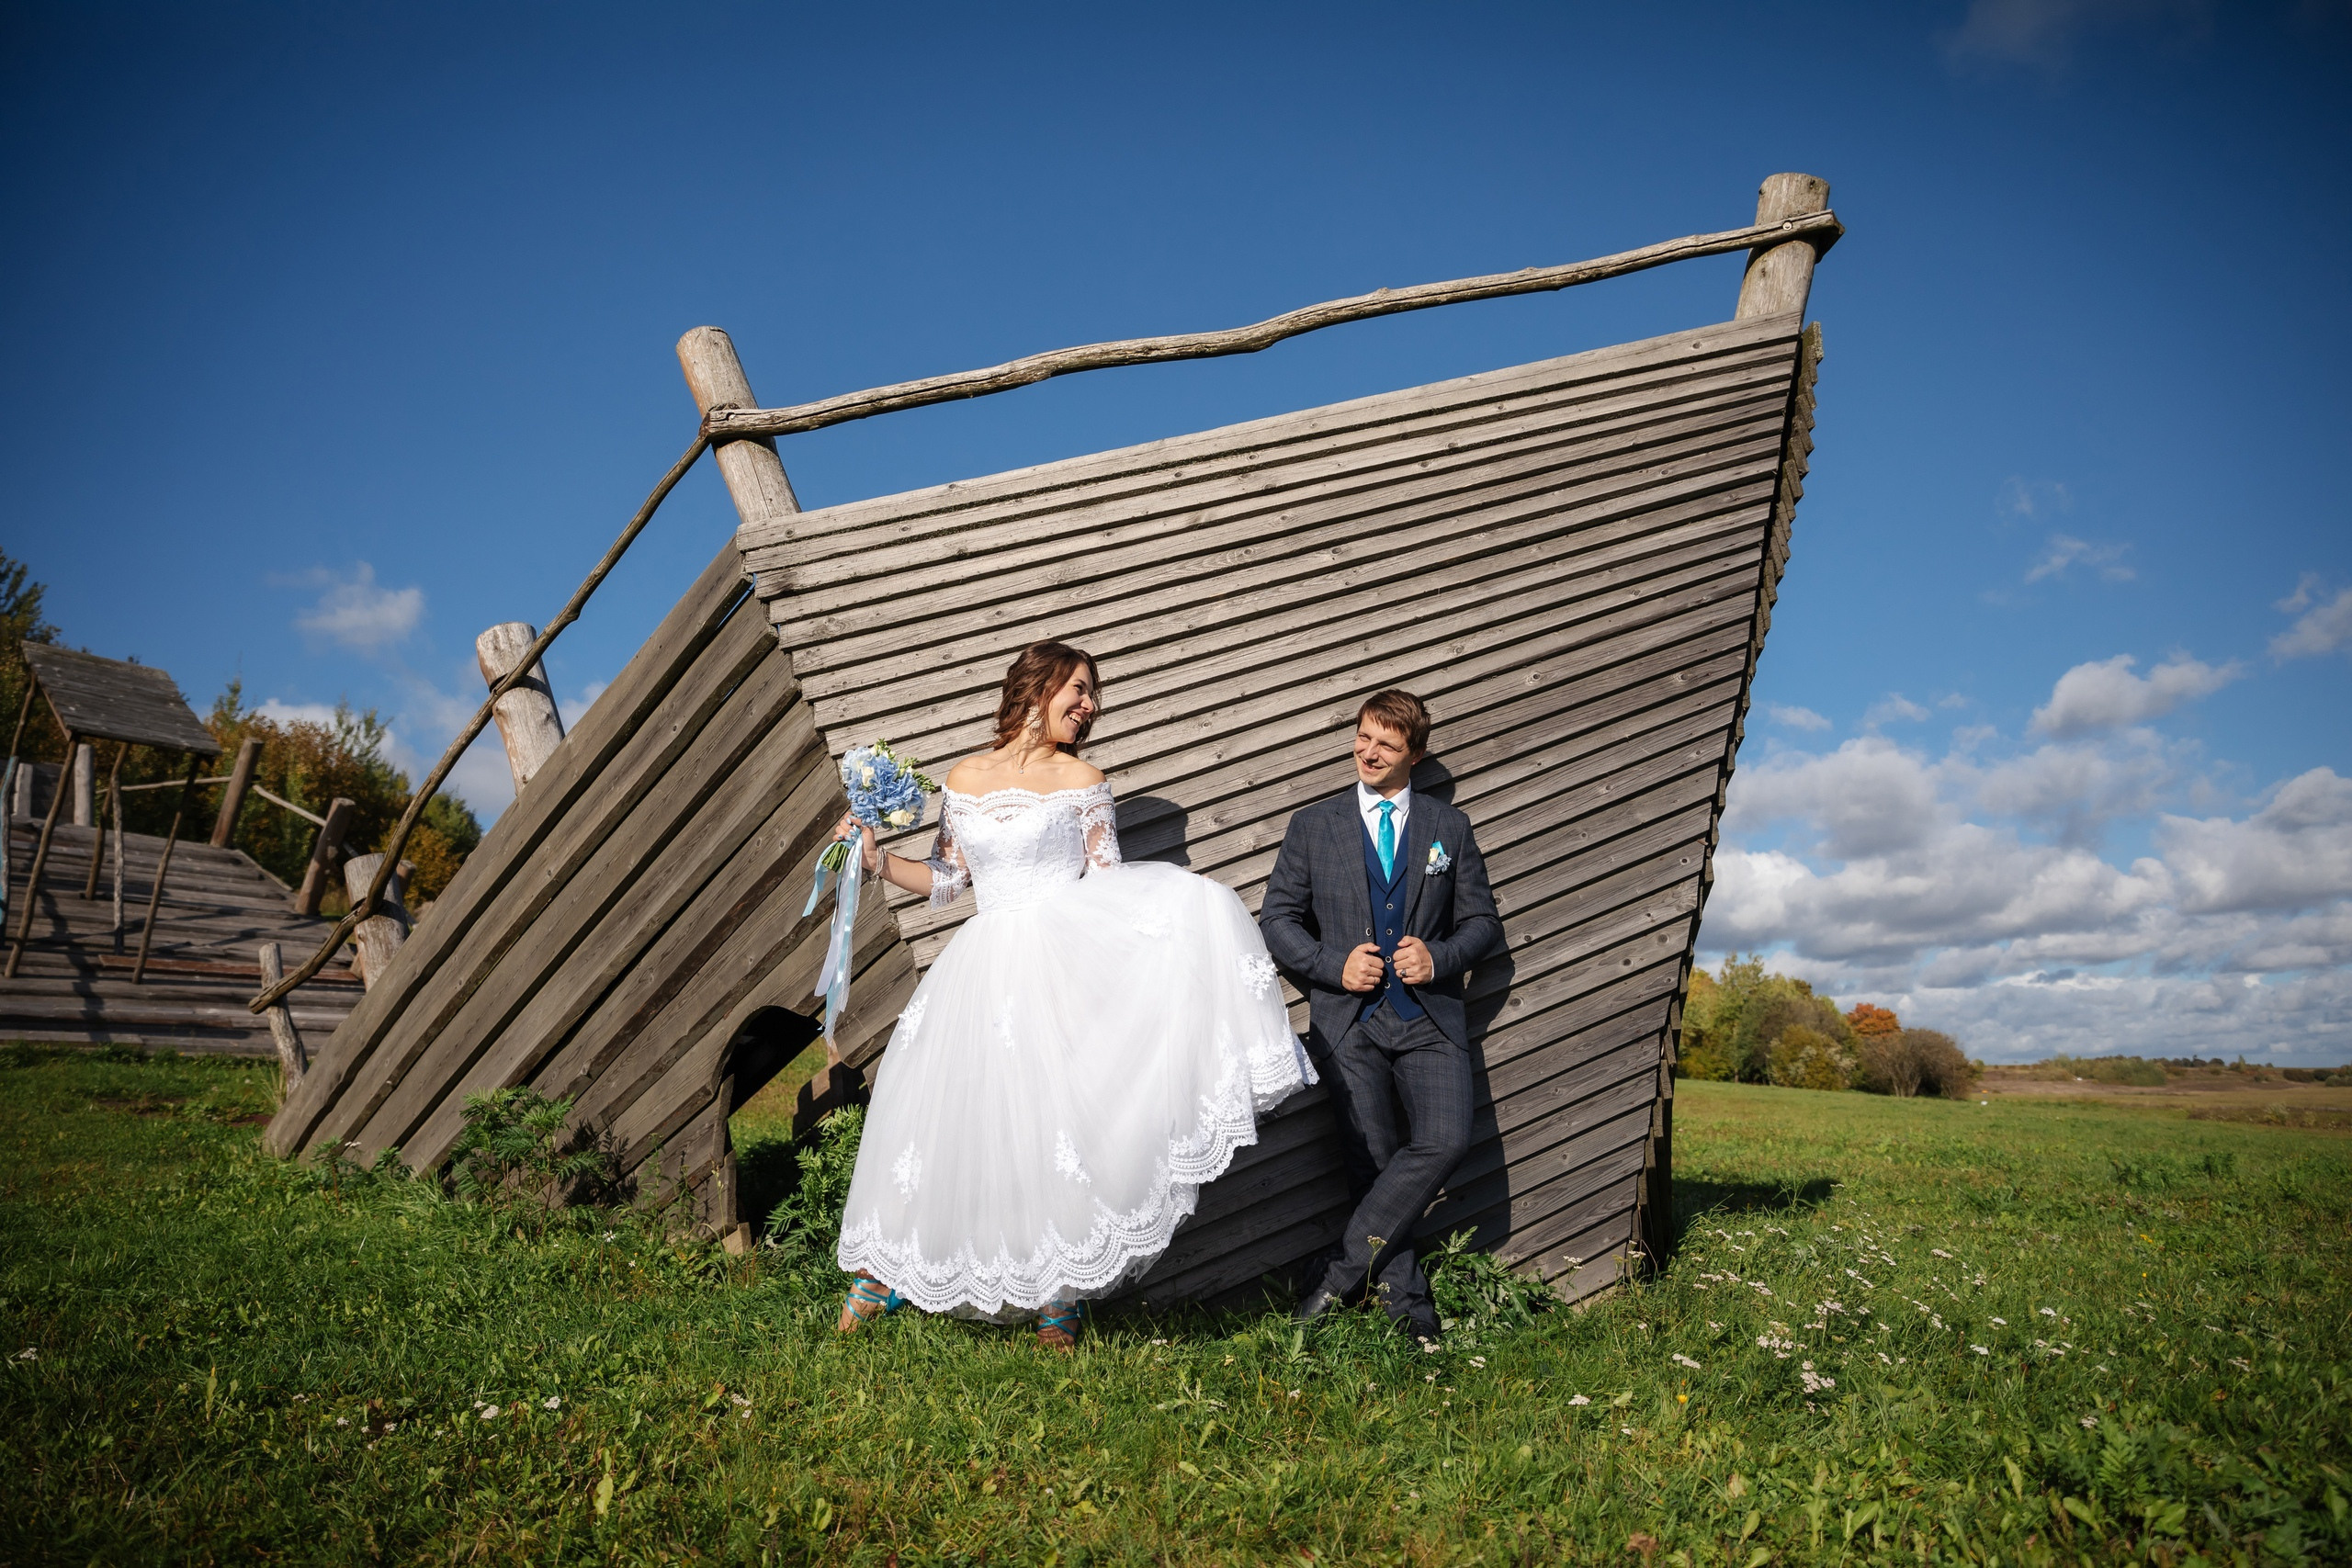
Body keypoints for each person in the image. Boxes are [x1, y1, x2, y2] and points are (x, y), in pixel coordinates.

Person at [827, 641, 1315, 1349]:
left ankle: (1061, 1297)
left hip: (1060, 969)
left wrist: (1187, 908)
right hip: (981, 968)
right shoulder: (965, 778)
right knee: (951, 1120)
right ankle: (887, 1274)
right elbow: (945, 880)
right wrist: (874, 858)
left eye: (1093, 696)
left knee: (1059, 1127)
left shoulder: (1086, 778)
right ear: (1038, 685)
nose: (1089, 706)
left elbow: (1109, 883)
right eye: (1080, 689)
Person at [1258, 689, 1501, 1343]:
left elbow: (1482, 923)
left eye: (1386, 744)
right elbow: (1276, 919)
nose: (1368, 751)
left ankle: (1335, 1279)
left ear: (1414, 754)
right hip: (1348, 1022)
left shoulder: (1449, 829)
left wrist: (1440, 955)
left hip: (1430, 1017)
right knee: (1374, 1163)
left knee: (1445, 1140)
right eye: (1363, 737)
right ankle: (1409, 1313)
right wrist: (1332, 964)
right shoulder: (1315, 825)